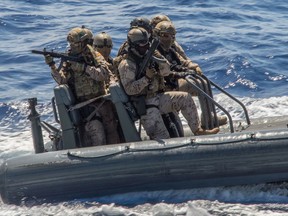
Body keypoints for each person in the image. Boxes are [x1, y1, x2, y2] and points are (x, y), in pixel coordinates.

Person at [118, 26, 219, 140]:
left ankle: (198, 130)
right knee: (163, 138)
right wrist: (146, 78)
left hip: (157, 97)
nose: (146, 46)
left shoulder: (149, 56)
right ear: (134, 45)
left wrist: (159, 61)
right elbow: (129, 89)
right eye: (142, 44)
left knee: (185, 98)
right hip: (144, 105)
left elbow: (166, 72)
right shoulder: (127, 64)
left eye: (147, 43)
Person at [44, 26, 120, 147]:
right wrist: (52, 66)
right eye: (71, 43)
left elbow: (103, 74)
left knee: (112, 131)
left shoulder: (95, 56)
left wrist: (84, 68)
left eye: (76, 43)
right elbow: (62, 80)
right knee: (96, 131)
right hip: (84, 106)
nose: (73, 46)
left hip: (101, 101)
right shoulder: (69, 60)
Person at [154, 20, 227, 129]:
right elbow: (167, 71)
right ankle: (197, 128)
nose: (169, 39)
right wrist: (184, 73)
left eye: (172, 36)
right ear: (157, 35)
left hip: (174, 83)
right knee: (191, 91)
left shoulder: (170, 49)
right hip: (163, 87)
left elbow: (180, 60)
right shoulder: (155, 51)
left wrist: (193, 66)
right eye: (165, 36)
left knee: (203, 83)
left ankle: (208, 118)